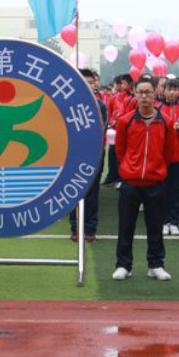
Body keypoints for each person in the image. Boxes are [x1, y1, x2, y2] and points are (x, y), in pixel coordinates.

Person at [112, 76, 174, 282]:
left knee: (155, 227)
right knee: (125, 226)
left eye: (148, 92)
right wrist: (128, 168)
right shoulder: (125, 121)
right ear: (135, 94)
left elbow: (168, 152)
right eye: (140, 92)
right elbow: (120, 150)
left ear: (156, 94)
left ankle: (155, 265)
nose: (144, 96)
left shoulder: (166, 121)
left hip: (155, 182)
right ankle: (123, 265)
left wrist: (157, 169)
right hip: (131, 183)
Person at [68, 69, 108, 242]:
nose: (88, 85)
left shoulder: (101, 106)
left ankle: (90, 229)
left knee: (92, 193)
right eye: (83, 81)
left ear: (95, 84)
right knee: (73, 191)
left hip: (94, 153)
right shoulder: (69, 103)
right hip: (73, 153)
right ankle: (76, 229)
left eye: (90, 82)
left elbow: (101, 129)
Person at [159, 78, 179, 235]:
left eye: (175, 89)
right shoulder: (156, 108)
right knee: (163, 191)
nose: (172, 92)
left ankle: (174, 222)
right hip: (161, 157)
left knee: (176, 191)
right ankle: (164, 221)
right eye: (169, 89)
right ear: (163, 91)